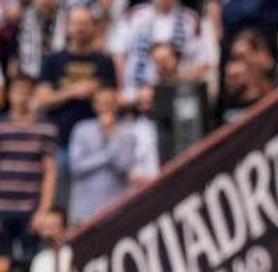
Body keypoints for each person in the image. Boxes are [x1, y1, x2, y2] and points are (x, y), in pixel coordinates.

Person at [35, 6, 117, 151]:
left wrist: (96, 93)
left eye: (85, 24)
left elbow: (113, 100)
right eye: (76, 23)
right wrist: (73, 91)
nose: (80, 28)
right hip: (60, 140)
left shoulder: (104, 61)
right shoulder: (53, 60)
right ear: (68, 27)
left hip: (96, 143)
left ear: (94, 27)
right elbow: (42, 101)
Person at [0, 74, 58, 264]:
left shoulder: (45, 127)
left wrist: (43, 210)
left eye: (26, 92)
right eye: (17, 92)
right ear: (9, 94)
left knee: (31, 264)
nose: (21, 97)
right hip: (2, 207)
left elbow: (50, 171)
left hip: (30, 209)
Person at [109, 0, 212, 106]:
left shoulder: (190, 19)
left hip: (177, 93)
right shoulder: (133, 15)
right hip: (136, 92)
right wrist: (124, 89)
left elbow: (204, 62)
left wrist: (175, 79)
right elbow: (118, 55)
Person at [67, 85, 138, 225]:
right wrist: (106, 155)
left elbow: (124, 167)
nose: (106, 107)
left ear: (116, 106)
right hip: (85, 210)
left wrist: (111, 136)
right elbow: (76, 166)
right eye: (102, 103)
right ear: (95, 105)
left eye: (110, 103)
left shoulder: (128, 134)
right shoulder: (81, 129)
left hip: (116, 207)